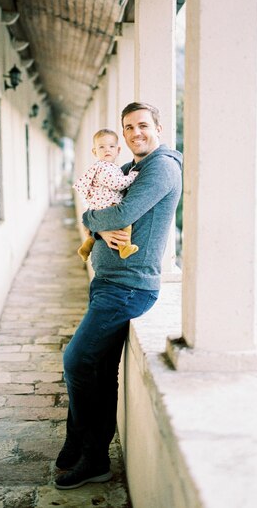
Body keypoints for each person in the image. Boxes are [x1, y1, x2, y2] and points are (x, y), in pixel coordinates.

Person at [55, 102, 183, 490]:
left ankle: (86, 447)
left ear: (158, 127)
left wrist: (94, 223)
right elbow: (96, 205)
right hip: (109, 282)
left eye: (143, 125)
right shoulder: (130, 169)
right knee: (100, 371)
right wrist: (95, 223)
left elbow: (117, 213)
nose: (134, 134)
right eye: (128, 128)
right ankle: (90, 453)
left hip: (128, 287)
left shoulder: (161, 167)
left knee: (76, 361)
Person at [73, 128, 139, 261]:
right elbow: (117, 184)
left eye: (111, 146)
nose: (107, 150)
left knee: (95, 234)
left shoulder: (108, 166)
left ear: (118, 150)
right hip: (108, 204)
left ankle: (86, 248)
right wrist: (132, 176)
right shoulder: (104, 167)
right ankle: (125, 248)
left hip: (100, 205)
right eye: (101, 147)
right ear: (94, 151)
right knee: (126, 222)